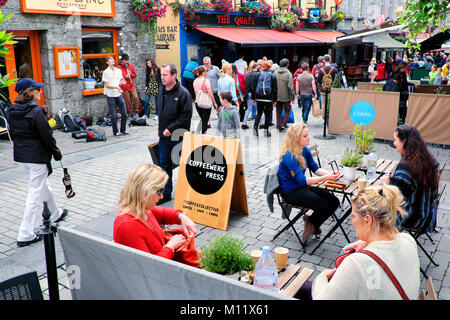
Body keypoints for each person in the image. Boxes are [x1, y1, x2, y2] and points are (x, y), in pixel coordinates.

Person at [308, 185, 420, 300]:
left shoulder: (356, 263)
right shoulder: (408, 240)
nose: (352, 221)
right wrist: (367, 241)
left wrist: (322, 276)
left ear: (367, 220)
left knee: (305, 288)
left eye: (354, 216)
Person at [6, 78, 68, 247]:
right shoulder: (35, 110)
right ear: (30, 92)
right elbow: (46, 134)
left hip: (21, 156)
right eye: (37, 90)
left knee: (42, 185)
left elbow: (13, 133)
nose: (40, 92)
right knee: (35, 193)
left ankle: (55, 213)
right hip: (36, 156)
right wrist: (56, 152)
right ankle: (25, 233)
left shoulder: (11, 110)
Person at [113, 164, 198, 262]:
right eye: (159, 191)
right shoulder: (127, 226)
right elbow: (148, 267)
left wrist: (181, 216)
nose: (162, 196)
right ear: (144, 191)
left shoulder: (141, 208)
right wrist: (170, 247)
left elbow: (163, 213)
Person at [278, 124, 340, 244]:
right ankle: (311, 226)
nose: (309, 138)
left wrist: (331, 173)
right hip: (290, 192)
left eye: (308, 135)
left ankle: (311, 222)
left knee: (334, 201)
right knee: (321, 203)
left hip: (302, 187)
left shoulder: (305, 150)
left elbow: (315, 169)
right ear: (296, 138)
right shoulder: (289, 156)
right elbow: (302, 180)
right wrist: (326, 178)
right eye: (305, 136)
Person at [380, 125, 440, 233]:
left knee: (374, 211)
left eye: (395, 140)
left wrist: (385, 183)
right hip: (428, 215)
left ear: (404, 142)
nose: (394, 143)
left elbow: (392, 196)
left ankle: (377, 245)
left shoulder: (407, 167)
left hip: (414, 218)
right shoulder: (425, 158)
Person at [157, 64, 193, 204]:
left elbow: (186, 117)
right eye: (161, 75)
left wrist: (171, 128)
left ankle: (190, 194)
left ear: (173, 76)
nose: (162, 77)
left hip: (178, 137)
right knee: (163, 166)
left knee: (185, 166)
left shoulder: (183, 93)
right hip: (163, 137)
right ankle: (166, 194)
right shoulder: (161, 90)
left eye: (165, 75)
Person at [102, 56, 129, 137]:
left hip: (118, 94)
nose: (112, 61)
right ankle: (115, 132)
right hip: (110, 95)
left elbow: (121, 81)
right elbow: (107, 85)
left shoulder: (118, 70)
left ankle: (123, 130)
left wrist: (123, 82)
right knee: (113, 115)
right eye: (110, 60)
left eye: (113, 59)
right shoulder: (106, 72)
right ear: (107, 62)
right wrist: (116, 87)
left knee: (124, 114)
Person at [251, 61, 277, 137]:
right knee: (267, 114)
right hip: (268, 98)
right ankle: (266, 131)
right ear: (269, 67)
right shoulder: (273, 76)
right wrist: (274, 100)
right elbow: (275, 89)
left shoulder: (257, 75)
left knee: (259, 113)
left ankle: (255, 127)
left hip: (258, 97)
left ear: (262, 67)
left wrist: (253, 98)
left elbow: (253, 87)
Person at [193, 65, 218, 134]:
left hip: (197, 103)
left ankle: (197, 132)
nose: (207, 71)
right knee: (205, 121)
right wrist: (214, 102)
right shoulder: (206, 81)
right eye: (206, 70)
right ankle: (203, 138)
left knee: (203, 119)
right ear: (203, 72)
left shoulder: (195, 81)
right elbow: (210, 93)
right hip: (205, 103)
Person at [274, 58, 295, 132]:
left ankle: (278, 124)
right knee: (287, 110)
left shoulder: (275, 72)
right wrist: (292, 97)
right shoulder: (289, 74)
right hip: (286, 96)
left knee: (278, 110)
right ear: (287, 65)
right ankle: (284, 123)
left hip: (277, 95)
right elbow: (290, 86)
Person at [117, 54, 140, 118]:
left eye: (127, 60)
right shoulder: (118, 68)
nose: (126, 62)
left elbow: (134, 75)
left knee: (135, 97)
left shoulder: (130, 66)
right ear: (121, 60)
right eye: (125, 60)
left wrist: (131, 74)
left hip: (131, 85)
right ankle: (131, 113)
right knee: (127, 100)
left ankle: (136, 111)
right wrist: (125, 76)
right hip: (124, 87)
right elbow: (118, 78)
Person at [242, 61, 258, 129]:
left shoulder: (247, 75)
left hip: (248, 93)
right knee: (258, 109)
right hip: (255, 94)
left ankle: (244, 122)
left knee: (248, 109)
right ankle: (261, 123)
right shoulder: (257, 74)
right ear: (256, 67)